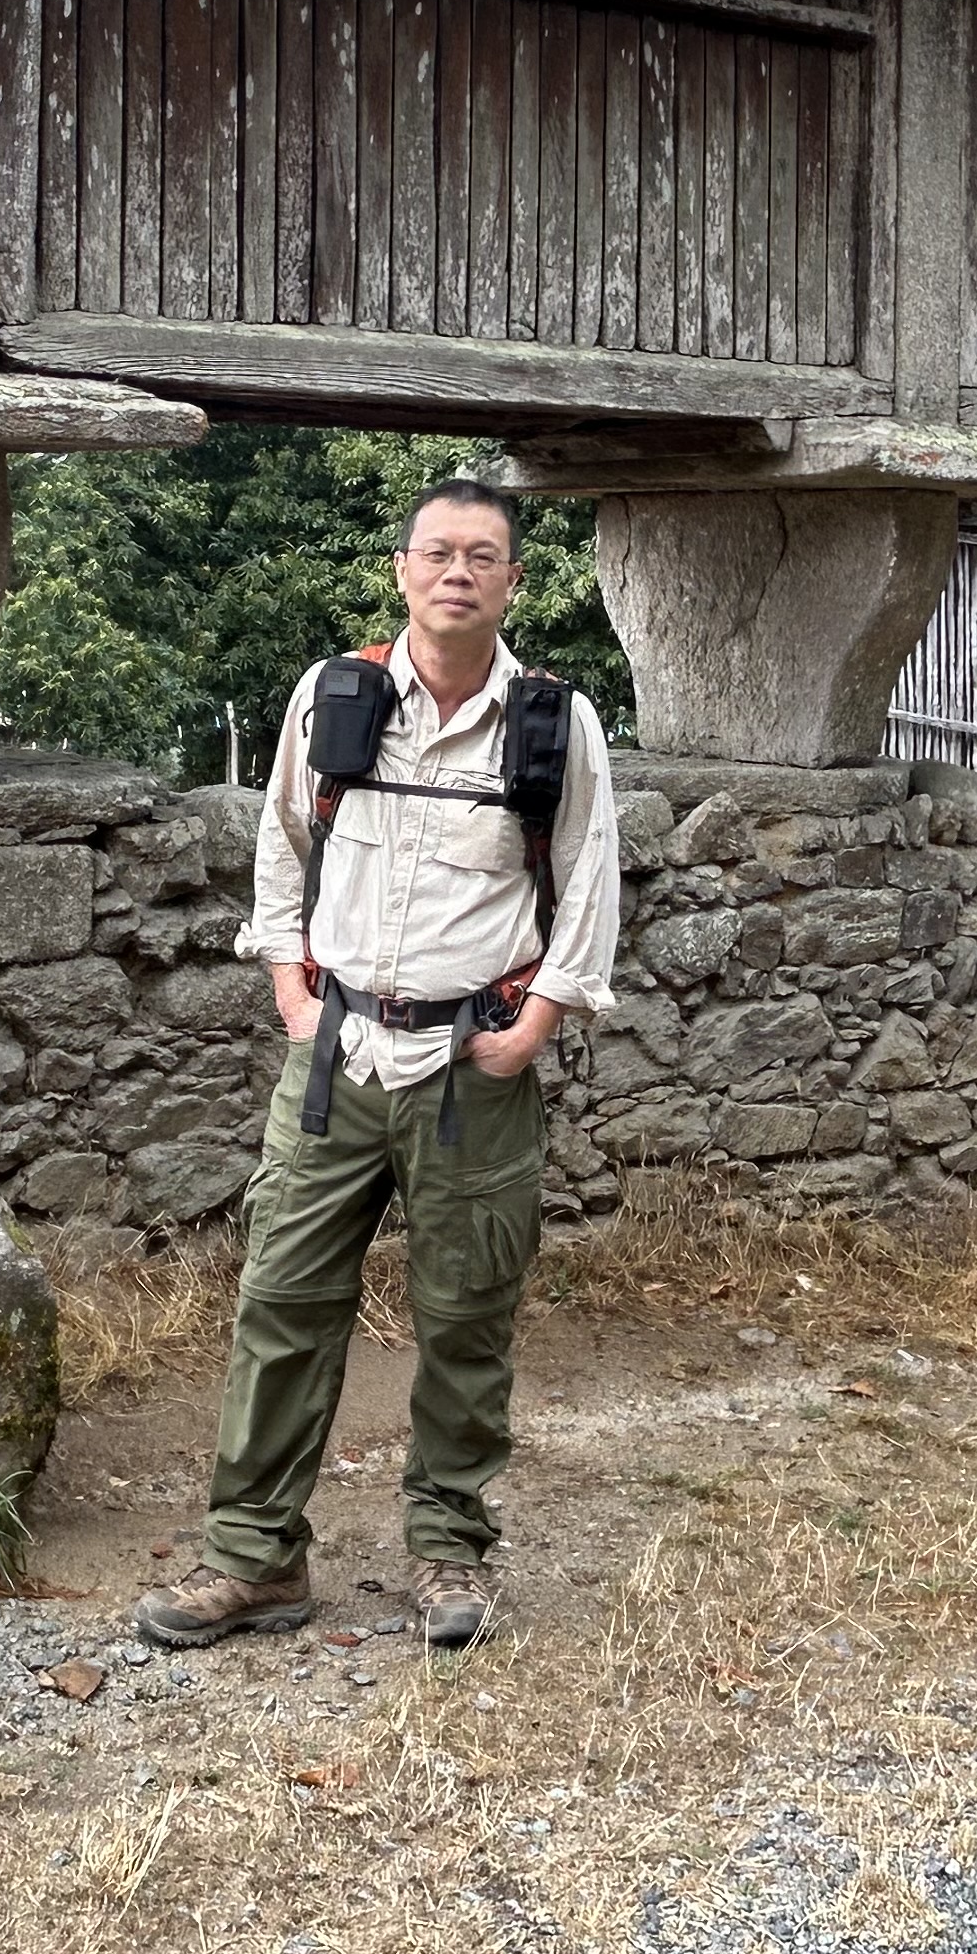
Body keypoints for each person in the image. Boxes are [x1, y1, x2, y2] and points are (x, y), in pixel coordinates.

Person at [130, 478, 618, 1655]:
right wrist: (291, 991)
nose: (458, 572)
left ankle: (448, 1550)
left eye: (483, 557)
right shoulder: (335, 695)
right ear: (403, 569)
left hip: (473, 1065)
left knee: (467, 1315)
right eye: (438, 553)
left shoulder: (554, 722)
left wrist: (534, 1029)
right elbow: (282, 849)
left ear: (513, 581)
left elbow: (591, 883)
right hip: (335, 1054)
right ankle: (255, 1559)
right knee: (282, 1303)